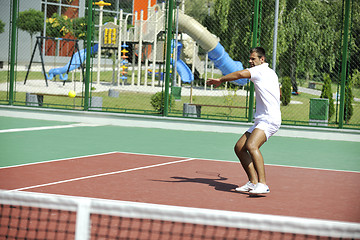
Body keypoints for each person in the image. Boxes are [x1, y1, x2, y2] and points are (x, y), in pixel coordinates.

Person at [206, 47, 281, 194]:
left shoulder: (259, 71)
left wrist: (220, 79)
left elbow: (240, 74)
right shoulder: (271, 72)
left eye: (253, 59)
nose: (250, 61)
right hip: (263, 119)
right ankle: (253, 182)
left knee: (252, 146)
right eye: (250, 58)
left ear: (262, 60)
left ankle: (263, 183)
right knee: (240, 148)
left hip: (270, 119)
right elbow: (278, 92)